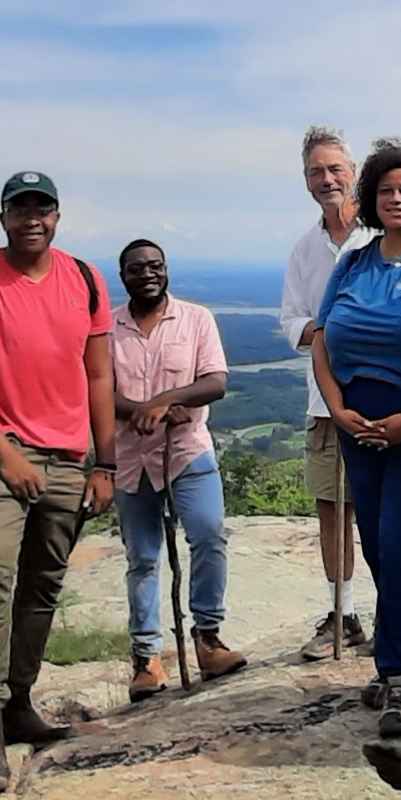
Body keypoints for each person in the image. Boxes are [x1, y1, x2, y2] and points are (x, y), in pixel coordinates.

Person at [0, 171, 115, 796]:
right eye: (21, 208)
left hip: (68, 457)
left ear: (58, 216)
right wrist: (7, 455)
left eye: (43, 208)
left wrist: (105, 463)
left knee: (42, 584)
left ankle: (18, 704)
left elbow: (97, 375)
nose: (32, 219)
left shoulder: (86, 278)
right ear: (3, 216)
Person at [306, 139, 401, 739]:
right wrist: (338, 409)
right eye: (388, 189)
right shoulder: (354, 261)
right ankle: (394, 664)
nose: (397, 198)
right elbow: (321, 338)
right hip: (356, 429)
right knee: (375, 549)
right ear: (371, 196)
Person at [109, 238, 241, 699]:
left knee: (208, 534)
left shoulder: (196, 319)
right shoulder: (106, 329)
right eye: (136, 268)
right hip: (131, 459)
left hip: (187, 450)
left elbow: (215, 382)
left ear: (166, 271)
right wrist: (149, 411)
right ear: (122, 275)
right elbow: (98, 390)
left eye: (155, 265)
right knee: (142, 557)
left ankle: (207, 638)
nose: (147, 273)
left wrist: (164, 403)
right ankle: (146, 658)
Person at [280, 127, 371, 661]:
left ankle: (398, 621)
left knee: (382, 511)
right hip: (323, 401)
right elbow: (291, 317)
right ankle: (345, 613)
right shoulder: (306, 248)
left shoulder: (381, 232)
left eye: (335, 168)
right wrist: (324, 331)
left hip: (381, 397)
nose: (327, 179)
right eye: (317, 171)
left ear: (353, 171)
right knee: (331, 511)